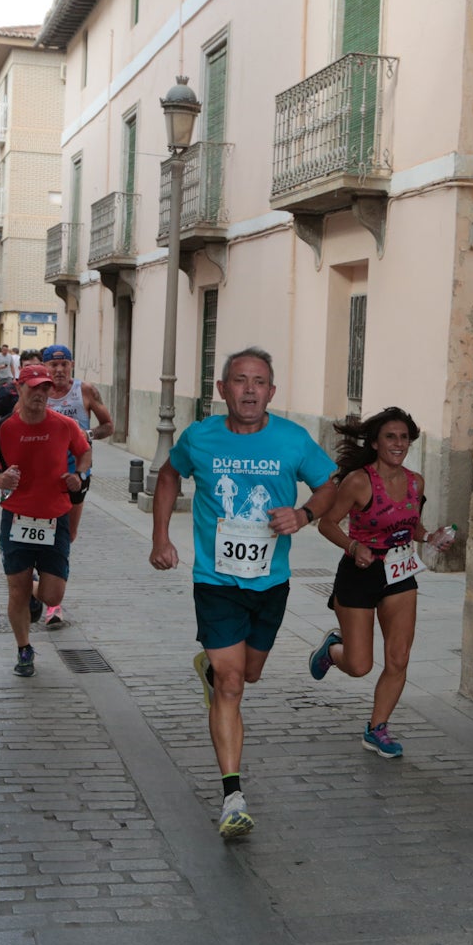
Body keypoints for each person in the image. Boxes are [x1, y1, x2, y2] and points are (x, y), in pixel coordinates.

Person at [149, 347, 338, 839]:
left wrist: (304, 515)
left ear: (271, 392)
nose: (250, 389)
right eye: (239, 380)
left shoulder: (293, 439)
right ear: (222, 390)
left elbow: (329, 484)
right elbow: (169, 474)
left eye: (259, 381)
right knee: (231, 686)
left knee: (248, 674)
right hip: (215, 581)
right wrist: (161, 537)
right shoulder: (200, 437)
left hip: (270, 583)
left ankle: (214, 670)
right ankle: (233, 795)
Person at [309, 407, 454, 758]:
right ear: (375, 442)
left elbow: (412, 526)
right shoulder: (358, 481)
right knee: (359, 666)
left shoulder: (416, 481)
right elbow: (327, 523)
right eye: (391, 436)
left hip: (400, 572)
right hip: (360, 572)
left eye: (404, 437)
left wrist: (430, 536)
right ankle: (331, 649)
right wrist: (353, 545)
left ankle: (377, 729)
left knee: (399, 658)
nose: (398, 443)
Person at [0, 364, 92, 677]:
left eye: (45, 389)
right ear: (19, 387)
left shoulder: (65, 425)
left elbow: (84, 453)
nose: (40, 394)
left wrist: (78, 476)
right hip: (17, 518)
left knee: (52, 595)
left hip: (55, 519)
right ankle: (24, 648)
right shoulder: (2, 428)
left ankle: (34, 592)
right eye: (34, 387)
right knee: (16, 590)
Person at [40, 344, 114, 544]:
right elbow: (16, 419)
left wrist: (87, 434)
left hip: (78, 468)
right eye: (53, 364)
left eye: (64, 364)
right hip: (44, 468)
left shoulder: (85, 390)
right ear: (44, 366)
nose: (59, 370)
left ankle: (55, 570)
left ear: (71, 365)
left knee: (69, 534)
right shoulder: (38, 391)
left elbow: (108, 426)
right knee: (42, 524)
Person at [0, 349, 43, 428]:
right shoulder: (8, 390)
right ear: (20, 368)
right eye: (27, 367)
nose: (32, 371)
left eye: (36, 366)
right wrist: (8, 430)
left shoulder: (48, 389)